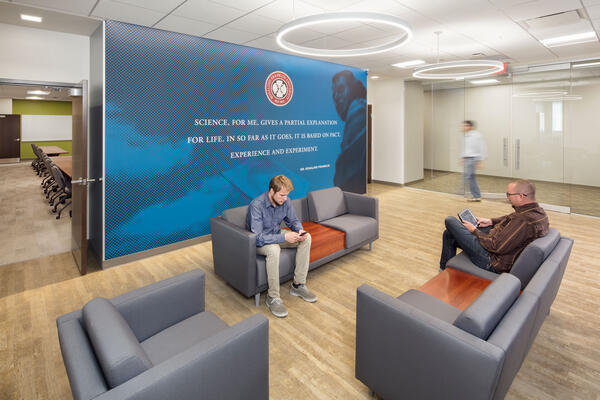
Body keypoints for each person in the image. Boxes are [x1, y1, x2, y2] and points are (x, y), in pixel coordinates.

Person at [440, 179, 549, 273]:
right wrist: (490, 221)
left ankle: (443, 270)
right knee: (449, 233)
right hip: (495, 241)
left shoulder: (524, 220)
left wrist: (474, 230)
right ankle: (445, 271)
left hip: (492, 260)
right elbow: (509, 217)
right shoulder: (536, 212)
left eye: (509, 194)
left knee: (450, 221)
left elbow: (496, 246)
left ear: (521, 196)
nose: (508, 198)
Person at [246, 175, 317, 318]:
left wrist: (299, 230)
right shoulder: (256, 205)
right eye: (282, 195)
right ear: (271, 191)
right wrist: (284, 237)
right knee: (273, 249)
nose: (284, 198)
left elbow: (293, 220)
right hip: (257, 242)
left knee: (306, 238)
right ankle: (273, 297)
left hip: (275, 234)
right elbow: (258, 238)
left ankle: (298, 285)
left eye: (287, 195)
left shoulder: (285, 201)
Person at [331, 70, 367, 193]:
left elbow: (344, 174)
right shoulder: (359, 109)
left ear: (352, 89)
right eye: (334, 94)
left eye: (340, 90)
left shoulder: (357, 108)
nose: (336, 97)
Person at [461, 120, 486, 201]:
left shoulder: (476, 135)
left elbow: (481, 148)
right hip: (468, 158)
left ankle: (475, 195)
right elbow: (466, 148)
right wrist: (462, 158)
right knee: (471, 177)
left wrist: (480, 160)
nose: (463, 127)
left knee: (467, 177)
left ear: (470, 126)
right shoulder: (466, 136)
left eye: (465, 126)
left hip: (472, 159)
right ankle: (476, 195)